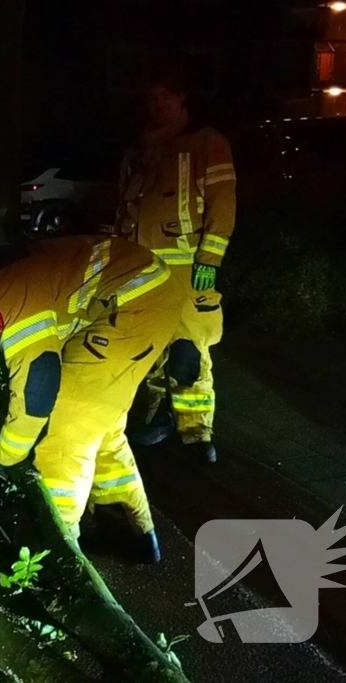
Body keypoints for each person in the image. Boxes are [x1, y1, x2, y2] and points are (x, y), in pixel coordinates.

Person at [0, 236, 185, 563]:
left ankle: (56, 559)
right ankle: (128, 530)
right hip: (136, 295)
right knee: (98, 422)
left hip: (136, 304)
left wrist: (3, 463)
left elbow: (36, 393)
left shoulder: (6, 300)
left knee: (68, 428)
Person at [117, 69, 237, 463]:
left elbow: (223, 205)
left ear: (183, 99)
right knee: (147, 351)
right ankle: (151, 421)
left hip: (188, 271)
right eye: (151, 98)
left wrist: (210, 260)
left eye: (165, 97)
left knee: (188, 354)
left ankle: (196, 434)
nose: (157, 105)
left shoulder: (207, 144)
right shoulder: (139, 150)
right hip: (143, 272)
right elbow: (126, 209)